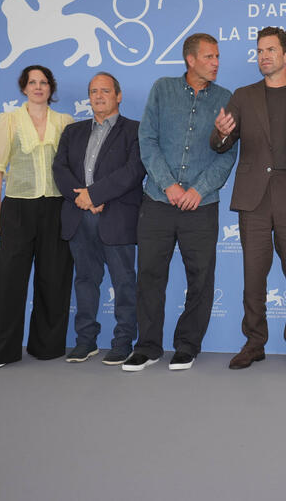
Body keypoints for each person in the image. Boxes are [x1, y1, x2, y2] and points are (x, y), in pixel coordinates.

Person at [122, 33, 237, 372]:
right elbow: (147, 139)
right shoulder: (162, 89)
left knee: (200, 278)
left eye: (217, 57)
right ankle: (147, 347)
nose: (216, 63)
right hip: (158, 200)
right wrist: (168, 184)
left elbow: (228, 153)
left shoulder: (226, 98)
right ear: (190, 59)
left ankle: (187, 346)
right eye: (209, 57)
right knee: (149, 276)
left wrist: (199, 190)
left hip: (202, 205)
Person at [211, 26, 286, 372]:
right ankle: (254, 343)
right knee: (253, 277)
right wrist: (221, 133)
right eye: (260, 51)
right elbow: (220, 144)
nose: (264, 56)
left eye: (271, 50)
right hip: (254, 199)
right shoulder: (243, 96)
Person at [0, 65, 74, 369]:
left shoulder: (65, 122)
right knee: (10, 280)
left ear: (51, 88)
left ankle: (47, 347)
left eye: (43, 82)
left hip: (56, 208)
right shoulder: (6, 121)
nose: (38, 87)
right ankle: (0, 352)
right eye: (32, 82)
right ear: (24, 88)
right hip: (18, 208)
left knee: (54, 279)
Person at [52, 72, 145, 365]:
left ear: (118, 95)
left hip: (117, 217)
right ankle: (85, 341)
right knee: (85, 282)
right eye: (94, 91)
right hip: (79, 218)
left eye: (105, 90)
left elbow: (134, 171)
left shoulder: (135, 130)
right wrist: (82, 198)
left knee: (124, 283)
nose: (99, 96)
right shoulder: (73, 131)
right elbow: (60, 169)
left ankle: (123, 343)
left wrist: (95, 195)